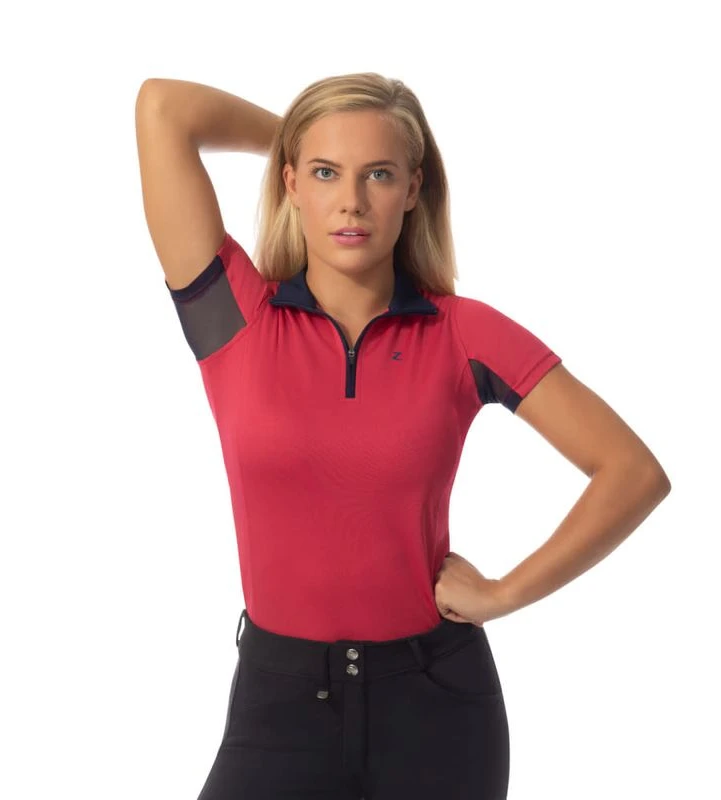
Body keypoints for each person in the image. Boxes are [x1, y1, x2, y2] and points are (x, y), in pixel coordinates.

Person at [135, 72, 671, 800]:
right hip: (279, 704)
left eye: (379, 174)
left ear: (414, 188)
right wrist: (295, 137)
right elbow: (163, 108)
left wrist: (505, 593)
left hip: (437, 707)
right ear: (290, 182)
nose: (352, 201)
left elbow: (632, 472)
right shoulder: (237, 319)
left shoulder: (463, 333)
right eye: (326, 173)